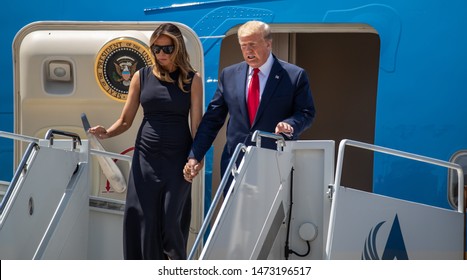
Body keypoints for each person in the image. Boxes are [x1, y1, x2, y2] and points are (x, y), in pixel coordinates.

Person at [88, 23, 203, 259]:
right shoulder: (141, 76)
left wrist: (196, 157)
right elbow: (126, 120)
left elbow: (197, 126)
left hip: (177, 161)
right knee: (144, 219)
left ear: (178, 48)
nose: (161, 54)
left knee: (172, 221)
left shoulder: (193, 79)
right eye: (156, 48)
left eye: (167, 48)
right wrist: (106, 132)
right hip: (145, 158)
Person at [183, 20, 315, 193]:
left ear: (268, 44)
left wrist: (291, 124)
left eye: (252, 45)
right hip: (236, 162)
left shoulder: (293, 75)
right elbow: (212, 120)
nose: (248, 51)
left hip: (274, 162)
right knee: (235, 218)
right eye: (243, 46)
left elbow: (306, 112)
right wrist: (195, 155)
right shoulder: (229, 75)